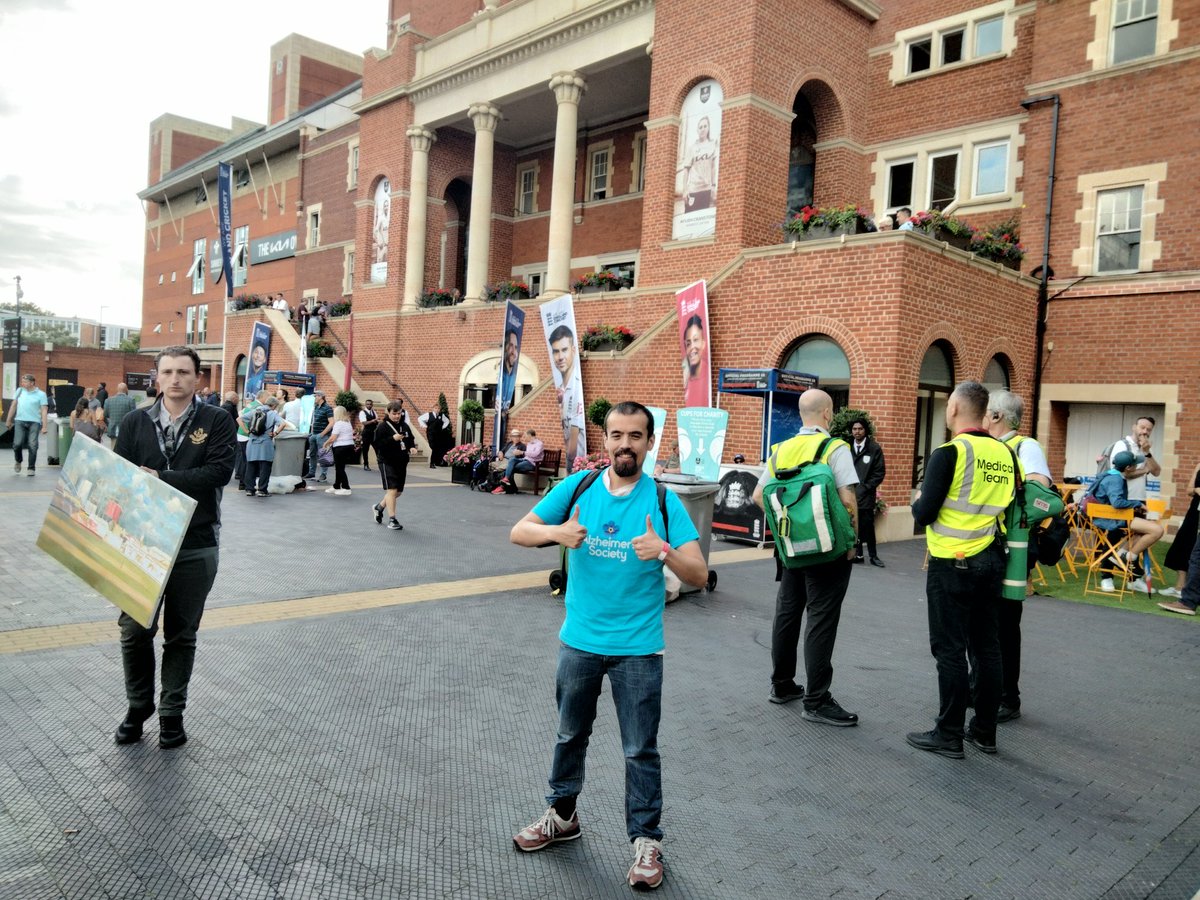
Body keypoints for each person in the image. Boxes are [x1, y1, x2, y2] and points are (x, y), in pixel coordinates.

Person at [509, 401, 707, 891]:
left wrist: (663, 550)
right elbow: (519, 531)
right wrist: (556, 532)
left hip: (639, 649)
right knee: (569, 735)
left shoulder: (663, 501)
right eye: (617, 435)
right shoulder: (578, 487)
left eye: (635, 436)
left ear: (649, 442)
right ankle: (562, 815)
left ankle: (646, 840)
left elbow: (700, 574)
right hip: (579, 642)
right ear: (606, 439)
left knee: (639, 749)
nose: (625, 444)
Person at [112, 345, 236, 749]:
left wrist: (160, 478)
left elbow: (219, 472)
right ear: (157, 377)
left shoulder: (217, 420)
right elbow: (121, 476)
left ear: (197, 378)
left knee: (181, 635)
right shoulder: (134, 422)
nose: (175, 379)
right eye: (167, 371)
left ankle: (171, 713)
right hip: (142, 542)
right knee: (134, 630)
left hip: (195, 543)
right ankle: (138, 706)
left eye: (184, 371)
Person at [907, 381, 1016, 759]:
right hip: (991, 558)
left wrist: (918, 499)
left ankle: (948, 734)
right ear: (984, 412)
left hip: (952, 563)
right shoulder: (1005, 452)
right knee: (987, 647)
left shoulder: (949, 452)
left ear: (953, 409)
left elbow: (924, 514)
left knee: (950, 649)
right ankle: (984, 732)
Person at [752, 388, 860, 725]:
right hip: (828, 550)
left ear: (801, 414)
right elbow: (848, 501)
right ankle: (816, 700)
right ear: (828, 413)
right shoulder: (834, 448)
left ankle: (782, 684)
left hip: (790, 549)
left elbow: (758, 496)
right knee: (821, 619)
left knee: (787, 613)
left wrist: (791, 529)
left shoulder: (780, 450)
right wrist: (850, 542)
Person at [983, 390, 1053, 723]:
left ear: (997, 416)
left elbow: (1041, 491)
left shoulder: (1026, 447)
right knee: (984, 623)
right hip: (987, 546)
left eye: (985, 412)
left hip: (1012, 550)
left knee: (1005, 625)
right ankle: (983, 688)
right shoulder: (990, 446)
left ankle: (1008, 697)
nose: (981, 417)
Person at [1089, 450, 1164, 593]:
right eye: (1135, 464)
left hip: (1115, 517)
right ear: (1128, 468)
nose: (1137, 466)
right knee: (1157, 530)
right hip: (1112, 519)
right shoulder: (1116, 480)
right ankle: (1129, 557)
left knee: (1143, 531)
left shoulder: (1110, 474)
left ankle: (1123, 554)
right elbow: (1117, 502)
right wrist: (1137, 504)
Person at [849, 418, 887, 567]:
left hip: (866, 495)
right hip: (849, 494)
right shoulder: (846, 447)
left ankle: (873, 556)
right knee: (853, 525)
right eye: (854, 429)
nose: (857, 432)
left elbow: (879, 472)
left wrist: (865, 488)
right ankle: (857, 554)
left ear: (865, 430)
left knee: (868, 526)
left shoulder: (874, 448)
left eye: (860, 429)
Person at [1160, 461, 1200, 599]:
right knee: (1183, 545)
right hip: (1194, 511)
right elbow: (1189, 490)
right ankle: (1180, 586)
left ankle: (1188, 588)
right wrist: (1196, 489)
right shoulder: (1199, 465)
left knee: (1196, 550)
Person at [372, 401, 413, 530]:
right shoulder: (382, 427)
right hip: (387, 461)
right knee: (392, 490)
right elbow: (377, 444)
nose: (396, 416)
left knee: (398, 492)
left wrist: (411, 447)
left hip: (401, 461)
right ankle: (392, 519)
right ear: (388, 413)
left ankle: (379, 507)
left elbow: (410, 439)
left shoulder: (404, 425)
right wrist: (392, 439)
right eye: (394, 414)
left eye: (399, 413)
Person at [549, 324, 585, 473]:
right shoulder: (561, 389)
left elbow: (572, 449)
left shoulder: (576, 388)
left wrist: (569, 472)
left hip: (577, 466)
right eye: (556, 351)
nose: (560, 357)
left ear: (573, 350)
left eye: (564, 350)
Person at [1105, 416, 1160, 503]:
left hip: (1140, 498)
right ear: (1134, 427)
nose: (1145, 432)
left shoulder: (1147, 448)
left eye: (1149, 430)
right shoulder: (1122, 445)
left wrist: (1146, 452)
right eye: (1142, 427)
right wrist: (1145, 470)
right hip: (1123, 498)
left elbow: (1156, 472)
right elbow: (1121, 473)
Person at [241, 393, 285, 497]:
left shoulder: (255, 411)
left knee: (251, 466)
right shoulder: (272, 413)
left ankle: (249, 489)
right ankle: (262, 490)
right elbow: (283, 424)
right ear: (274, 405)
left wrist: (246, 431)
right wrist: (275, 433)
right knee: (265, 467)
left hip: (252, 442)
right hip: (265, 443)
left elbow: (239, 419)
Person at [5, 373, 49, 477]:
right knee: (17, 444)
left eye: (25, 382)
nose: (22, 383)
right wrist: (8, 420)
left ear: (32, 383)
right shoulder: (19, 391)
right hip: (19, 421)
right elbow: (13, 405)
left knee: (32, 445)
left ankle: (31, 467)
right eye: (22, 381)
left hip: (34, 422)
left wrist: (44, 426)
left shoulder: (41, 394)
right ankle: (18, 460)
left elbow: (44, 410)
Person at [677, 115, 718, 211]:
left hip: (706, 189)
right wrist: (685, 190)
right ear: (697, 130)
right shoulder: (692, 148)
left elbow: (713, 167)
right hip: (693, 190)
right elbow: (686, 170)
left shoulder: (712, 145)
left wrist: (713, 186)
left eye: (705, 126)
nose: (703, 129)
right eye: (700, 127)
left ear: (708, 128)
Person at [494, 428, 543, 493]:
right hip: (525, 460)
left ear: (529, 435)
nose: (525, 438)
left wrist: (521, 452)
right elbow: (527, 455)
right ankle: (506, 480)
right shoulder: (529, 443)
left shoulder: (539, 444)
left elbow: (535, 454)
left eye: (525, 436)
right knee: (512, 459)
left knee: (511, 467)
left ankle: (504, 486)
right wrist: (520, 453)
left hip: (532, 463)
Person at [323, 405, 356, 495]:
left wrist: (326, 443)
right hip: (348, 446)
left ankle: (346, 488)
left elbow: (333, 438)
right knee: (339, 467)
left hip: (341, 447)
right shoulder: (347, 422)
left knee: (340, 468)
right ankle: (336, 485)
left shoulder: (339, 423)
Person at [681, 314, 709, 408]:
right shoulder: (686, 377)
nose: (692, 347)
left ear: (703, 344)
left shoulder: (708, 374)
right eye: (688, 343)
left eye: (696, 340)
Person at [307, 391, 333, 481]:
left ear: (320, 397)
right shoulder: (316, 407)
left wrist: (323, 433)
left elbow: (331, 422)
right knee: (312, 454)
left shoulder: (327, 408)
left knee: (323, 454)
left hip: (322, 435)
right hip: (314, 434)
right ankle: (311, 472)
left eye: (315, 396)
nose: (314, 398)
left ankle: (323, 474)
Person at [103, 383, 139, 449]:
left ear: (117, 389)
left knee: (113, 449)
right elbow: (134, 416)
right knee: (125, 450)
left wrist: (110, 423)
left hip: (113, 429)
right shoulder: (131, 400)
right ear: (126, 390)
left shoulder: (108, 400)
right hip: (127, 430)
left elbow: (105, 415)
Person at [418, 403, 453, 468]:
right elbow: (420, 418)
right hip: (430, 434)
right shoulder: (428, 415)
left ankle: (433, 463)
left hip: (438, 434)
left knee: (436, 448)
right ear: (433, 409)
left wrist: (443, 427)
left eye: (438, 408)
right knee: (433, 447)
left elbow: (447, 421)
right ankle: (434, 462)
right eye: (436, 408)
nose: (437, 410)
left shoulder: (441, 415)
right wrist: (424, 425)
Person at [359, 399, 379, 470]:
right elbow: (364, 422)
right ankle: (366, 465)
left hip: (373, 433)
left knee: (377, 448)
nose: (369, 405)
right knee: (365, 449)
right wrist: (372, 421)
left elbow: (377, 420)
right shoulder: (362, 412)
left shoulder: (374, 412)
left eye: (370, 404)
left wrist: (375, 421)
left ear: (372, 405)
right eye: (367, 404)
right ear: (365, 405)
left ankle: (380, 463)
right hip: (366, 433)